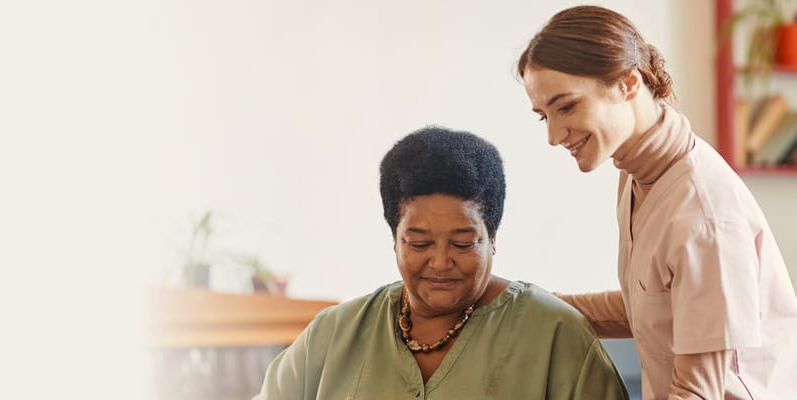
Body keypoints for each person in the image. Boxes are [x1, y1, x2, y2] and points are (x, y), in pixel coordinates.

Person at [518, 5, 797, 399]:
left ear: (628, 84)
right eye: (543, 116)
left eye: (566, 106)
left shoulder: (702, 214)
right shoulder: (636, 172)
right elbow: (651, 306)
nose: (554, 135)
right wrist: (527, 305)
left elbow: (697, 393)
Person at [254, 126, 628, 399]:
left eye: (463, 243)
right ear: (394, 239)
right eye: (419, 243)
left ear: (493, 238)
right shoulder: (335, 334)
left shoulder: (556, 335)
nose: (440, 261)